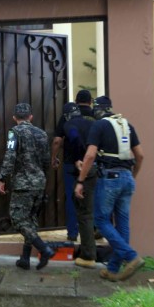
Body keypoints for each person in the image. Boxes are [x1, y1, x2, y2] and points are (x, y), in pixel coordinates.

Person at [74, 96, 145, 281]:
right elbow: (140, 156)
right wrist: (131, 177)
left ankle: (131, 256)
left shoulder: (100, 126)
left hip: (110, 178)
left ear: (97, 110)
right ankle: (113, 269)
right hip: (127, 176)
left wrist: (81, 181)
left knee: (101, 220)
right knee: (122, 224)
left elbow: (90, 156)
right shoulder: (126, 125)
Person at [0, 103, 55, 271]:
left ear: (14, 118)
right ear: (31, 117)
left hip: (23, 183)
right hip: (39, 182)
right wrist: (42, 178)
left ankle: (44, 249)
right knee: (31, 220)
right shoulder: (42, 134)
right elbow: (46, 160)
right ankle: (25, 258)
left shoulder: (14, 133)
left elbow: (10, 156)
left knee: (18, 219)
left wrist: (1, 178)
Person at [51, 90, 94, 242]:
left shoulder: (66, 118)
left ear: (76, 101)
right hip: (89, 164)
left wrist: (54, 157)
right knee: (90, 198)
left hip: (71, 163)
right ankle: (92, 233)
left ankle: (72, 233)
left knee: (71, 198)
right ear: (90, 101)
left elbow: (57, 140)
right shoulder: (94, 116)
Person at [61, 102, 97, 268]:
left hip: (79, 169)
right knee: (89, 208)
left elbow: (74, 136)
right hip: (95, 168)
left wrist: (78, 157)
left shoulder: (69, 124)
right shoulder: (91, 123)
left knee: (79, 207)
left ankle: (79, 243)